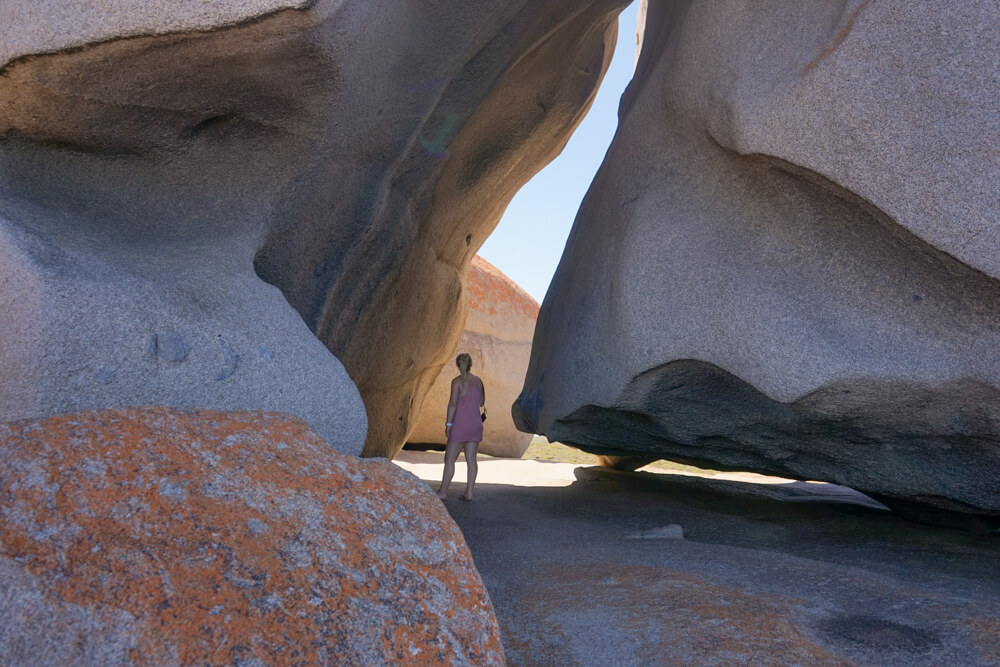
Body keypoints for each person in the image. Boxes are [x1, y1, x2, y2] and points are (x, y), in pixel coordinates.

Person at [437, 352, 485, 501]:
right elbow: (481, 402)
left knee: (450, 459)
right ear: (471, 365)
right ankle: (469, 493)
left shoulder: (456, 382)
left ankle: (443, 492)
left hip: (460, 425)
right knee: (471, 460)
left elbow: (453, 404)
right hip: (475, 424)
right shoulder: (478, 381)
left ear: (458, 365)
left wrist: (448, 425)